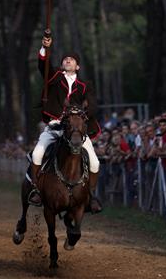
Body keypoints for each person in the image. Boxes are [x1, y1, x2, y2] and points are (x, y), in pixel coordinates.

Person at [28, 34, 102, 213]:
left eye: (71, 60)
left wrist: (82, 115)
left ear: (78, 66)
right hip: (55, 125)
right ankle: (37, 190)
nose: (68, 61)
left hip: (76, 129)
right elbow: (43, 66)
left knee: (95, 162)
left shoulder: (85, 85)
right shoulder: (54, 77)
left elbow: (92, 105)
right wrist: (46, 48)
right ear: (62, 64)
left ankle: (91, 195)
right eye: (65, 59)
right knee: (37, 153)